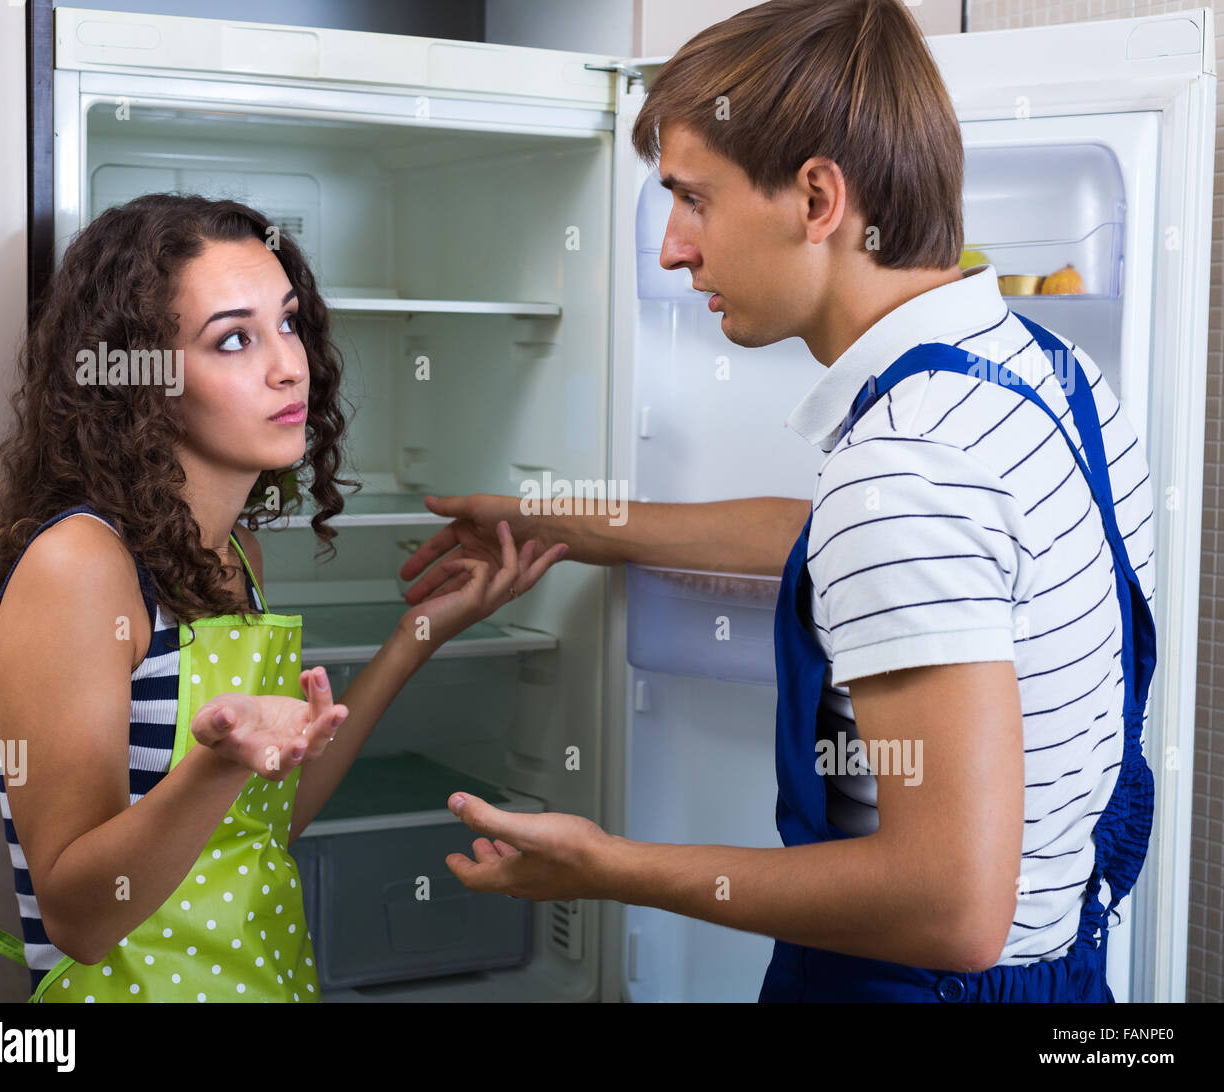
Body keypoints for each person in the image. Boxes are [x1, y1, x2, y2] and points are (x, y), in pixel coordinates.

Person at [402, 0, 1158, 1002]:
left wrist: (605, 865)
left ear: (815, 199)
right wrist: (567, 523)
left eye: (693, 199)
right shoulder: (1042, 378)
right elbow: (859, 553)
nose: (671, 248)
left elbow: (949, 909)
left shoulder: (905, 473)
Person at [0, 193, 565, 1002]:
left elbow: (261, 822)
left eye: (288, 322)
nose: (289, 364)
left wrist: (419, 632)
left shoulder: (234, 552)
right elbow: (81, 918)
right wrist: (214, 765)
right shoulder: (80, 566)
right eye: (233, 339)